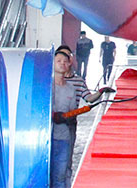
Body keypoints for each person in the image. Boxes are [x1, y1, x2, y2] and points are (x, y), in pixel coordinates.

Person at [51, 46, 89, 188]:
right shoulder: (45, 87)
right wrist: (53, 115)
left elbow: (74, 111)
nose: (62, 63)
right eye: (59, 61)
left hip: (63, 137)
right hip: (46, 139)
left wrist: (68, 117)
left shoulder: (71, 89)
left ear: (69, 64)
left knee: (61, 174)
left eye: (65, 61)